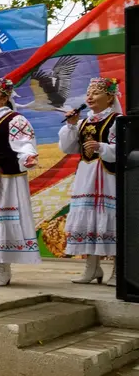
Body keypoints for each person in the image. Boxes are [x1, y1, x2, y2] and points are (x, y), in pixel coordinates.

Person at [0, 77, 41, 287]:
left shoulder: (16, 119)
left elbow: (25, 145)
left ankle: (3, 267)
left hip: (6, 178)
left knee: (2, 220)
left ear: (5, 97)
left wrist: (28, 157)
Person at [60, 76, 120, 286]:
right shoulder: (84, 121)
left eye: (96, 92)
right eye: (88, 93)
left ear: (110, 97)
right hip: (87, 175)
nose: (90, 96)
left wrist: (101, 147)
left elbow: (123, 149)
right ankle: (92, 267)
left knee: (109, 218)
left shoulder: (117, 120)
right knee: (89, 221)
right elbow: (69, 148)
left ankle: (118, 270)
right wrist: (70, 126)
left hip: (107, 175)